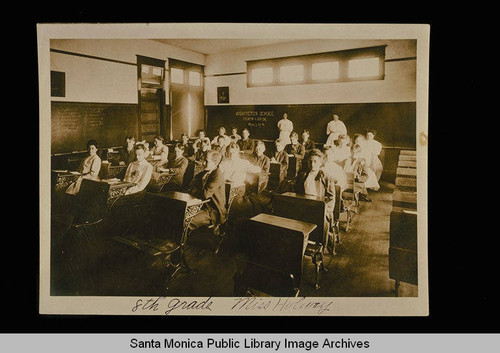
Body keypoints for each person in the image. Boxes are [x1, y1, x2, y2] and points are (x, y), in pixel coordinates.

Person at [295, 149, 336, 251]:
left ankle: (321, 247)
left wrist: (326, 209)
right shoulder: (303, 176)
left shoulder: (325, 177)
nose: (312, 164)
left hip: (319, 209)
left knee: (323, 223)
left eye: (315, 161)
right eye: (310, 161)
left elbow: (331, 197)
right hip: (304, 206)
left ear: (321, 162)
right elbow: (296, 192)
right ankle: (299, 246)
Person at [187, 150, 226, 232]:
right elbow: (191, 185)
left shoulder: (217, 175)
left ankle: (181, 242)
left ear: (215, 162)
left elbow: (205, 194)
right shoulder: (205, 173)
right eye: (203, 160)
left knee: (187, 220)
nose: (203, 163)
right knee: (179, 214)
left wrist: (194, 190)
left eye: (206, 161)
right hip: (201, 205)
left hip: (213, 210)